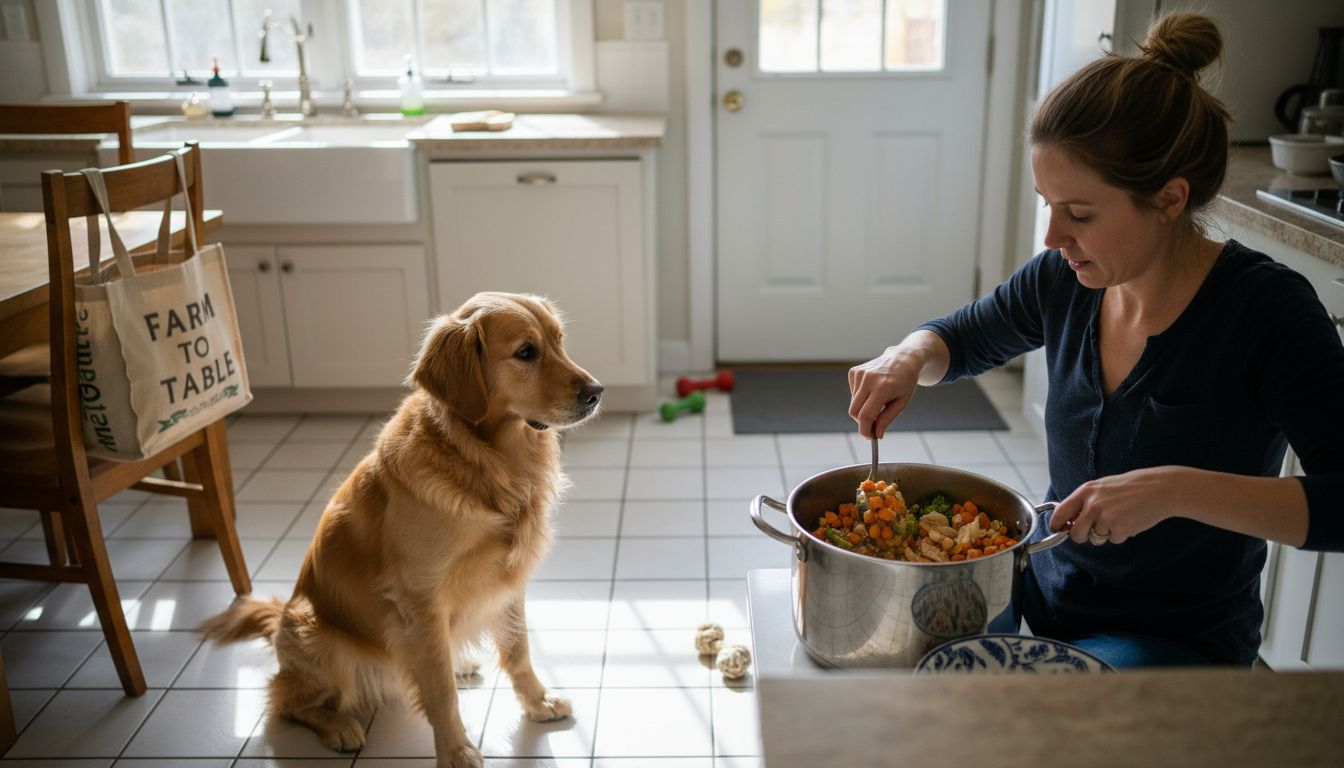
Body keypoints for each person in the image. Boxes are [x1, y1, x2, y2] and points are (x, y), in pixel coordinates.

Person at [846, 12, 1344, 668]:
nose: (1053, 237)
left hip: (1178, 644)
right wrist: (906, 356)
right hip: (1049, 600)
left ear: (1168, 199)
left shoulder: (1265, 312)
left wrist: (1171, 490)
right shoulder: (1064, 279)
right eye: (1046, 204)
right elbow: (961, 339)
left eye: (1079, 213)